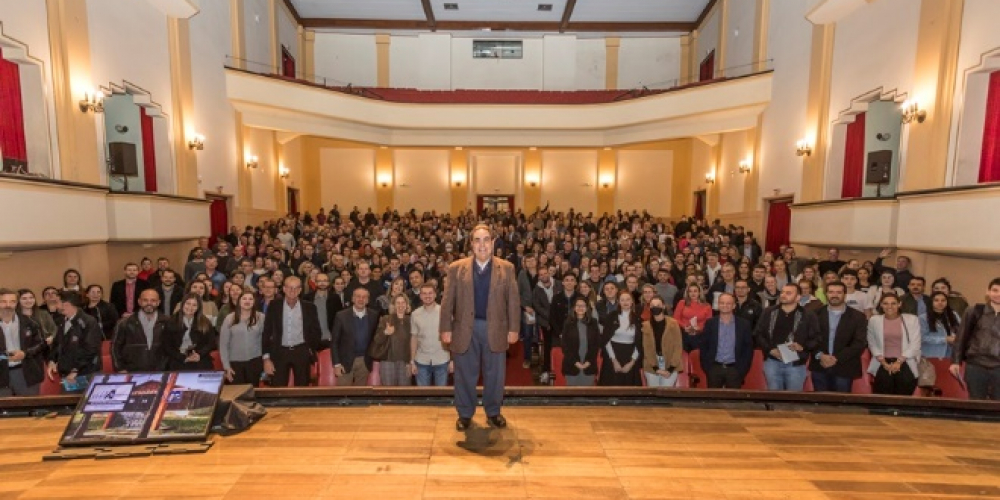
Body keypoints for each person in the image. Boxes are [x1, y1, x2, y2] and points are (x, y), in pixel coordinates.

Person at [439, 224, 520, 431]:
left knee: (495, 375)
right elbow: (447, 301)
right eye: (477, 240)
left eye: (486, 240)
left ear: (493, 243)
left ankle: (493, 412)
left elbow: (513, 301)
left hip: (495, 329)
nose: (482, 244)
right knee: (464, 373)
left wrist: (514, 329)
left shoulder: (507, 268)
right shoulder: (457, 268)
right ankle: (465, 413)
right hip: (465, 329)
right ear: (471, 244)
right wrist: (445, 327)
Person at [754, 283, 821, 391]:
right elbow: (758, 334)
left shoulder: (808, 315)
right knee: (774, 399)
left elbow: (817, 338)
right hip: (772, 362)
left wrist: (802, 346)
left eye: (788, 293)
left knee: (793, 400)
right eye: (783, 292)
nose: (783, 295)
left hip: (796, 364)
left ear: (798, 297)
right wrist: (770, 350)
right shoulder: (769, 312)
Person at [262, 276, 322, 386]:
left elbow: (316, 332)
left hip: (301, 351)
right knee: (278, 389)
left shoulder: (310, 307)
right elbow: (266, 332)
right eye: (289, 287)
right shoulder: (274, 306)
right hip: (279, 352)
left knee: (302, 389)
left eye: (296, 288)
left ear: (300, 290)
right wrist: (266, 358)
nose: (292, 291)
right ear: (283, 289)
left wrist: (309, 349)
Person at [810, 282, 868, 393]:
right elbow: (809, 338)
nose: (834, 295)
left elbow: (859, 343)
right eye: (831, 292)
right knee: (820, 404)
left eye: (838, 292)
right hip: (820, 365)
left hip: (844, 366)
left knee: (841, 406)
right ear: (826, 294)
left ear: (845, 295)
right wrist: (821, 355)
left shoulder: (858, 317)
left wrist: (836, 358)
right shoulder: (814, 314)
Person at [950, 278, 1000, 400]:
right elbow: (961, 337)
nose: (998, 294)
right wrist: (955, 362)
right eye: (995, 290)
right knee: (976, 403)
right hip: (976, 365)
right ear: (988, 292)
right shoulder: (974, 311)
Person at [867, 293, 921, 396]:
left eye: (893, 303)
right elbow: (872, 343)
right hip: (882, 363)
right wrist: (884, 363)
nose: (889, 307)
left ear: (899, 304)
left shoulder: (912, 319)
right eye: (886, 303)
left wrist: (899, 362)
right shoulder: (874, 320)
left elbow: (915, 344)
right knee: (882, 399)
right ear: (881, 305)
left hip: (905, 362)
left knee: (903, 399)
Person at [47, 291, 103, 390]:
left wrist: (75, 370)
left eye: (57, 302)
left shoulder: (88, 322)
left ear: (66, 304)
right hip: (66, 371)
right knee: (68, 402)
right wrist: (52, 360)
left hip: (85, 373)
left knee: (82, 402)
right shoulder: (61, 321)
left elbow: (90, 349)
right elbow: (57, 343)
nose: (55, 305)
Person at [699, 293, 754, 388]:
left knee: (733, 402)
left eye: (728, 303)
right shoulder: (710, 323)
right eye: (722, 303)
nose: (725, 306)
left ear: (734, 305)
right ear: (718, 305)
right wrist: (708, 368)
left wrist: (741, 370)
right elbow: (704, 346)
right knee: (713, 401)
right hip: (714, 368)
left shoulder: (744, 324)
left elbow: (748, 349)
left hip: (735, 369)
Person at [0, 288, 47, 396]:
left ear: (16, 303)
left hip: (25, 372)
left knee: (30, 407)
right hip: (2, 374)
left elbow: (41, 344)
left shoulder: (30, 322)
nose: (8, 305)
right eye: (3, 301)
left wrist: (25, 353)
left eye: (12, 301)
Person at [111, 289, 168, 373]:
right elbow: (115, 348)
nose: (149, 303)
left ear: (158, 302)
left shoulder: (168, 322)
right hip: (132, 371)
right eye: (145, 300)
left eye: (153, 300)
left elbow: (172, 348)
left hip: (161, 371)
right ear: (139, 301)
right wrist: (120, 368)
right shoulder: (124, 323)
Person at [331, 288, 379, 386]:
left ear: (368, 300)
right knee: (343, 395)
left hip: (364, 361)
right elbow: (334, 342)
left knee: (361, 396)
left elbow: (375, 338)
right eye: (358, 296)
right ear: (353, 299)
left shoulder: (374, 315)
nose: (361, 299)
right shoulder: (341, 316)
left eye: (364, 297)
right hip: (345, 361)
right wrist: (336, 364)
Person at [160, 294, 217, 371]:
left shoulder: (205, 322)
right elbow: (167, 345)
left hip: (200, 360)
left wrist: (199, 354)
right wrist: (182, 357)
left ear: (198, 307)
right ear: (183, 304)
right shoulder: (171, 321)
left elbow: (211, 342)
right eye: (188, 303)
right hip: (177, 360)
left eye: (194, 305)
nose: (190, 307)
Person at [219, 290, 265, 385]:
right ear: (239, 301)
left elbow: (265, 341)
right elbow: (223, 345)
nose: (247, 301)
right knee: (238, 395)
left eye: (250, 299)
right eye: (244, 298)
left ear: (254, 302)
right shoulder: (229, 318)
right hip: (235, 363)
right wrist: (226, 366)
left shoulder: (261, 317)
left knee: (253, 393)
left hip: (255, 362)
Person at [598, 289, 643, 386]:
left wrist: (632, 362)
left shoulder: (637, 319)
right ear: (618, 302)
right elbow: (606, 340)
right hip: (612, 356)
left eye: (628, 299)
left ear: (632, 302)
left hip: (630, 356)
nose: (625, 302)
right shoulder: (611, 316)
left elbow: (639, 343)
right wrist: (614, 360)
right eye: (622, 300)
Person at [410, 284, 451, 386]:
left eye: (430, 293)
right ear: (420, 296)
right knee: (423, 397)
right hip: (421, 360)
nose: (427, 296)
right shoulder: (415, 314)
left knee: (441, 397)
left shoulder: (444, 312)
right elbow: (414, 338)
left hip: (442, 359)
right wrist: (412, 361)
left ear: (435, 295)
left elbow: (451, 335)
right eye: (424, 293)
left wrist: (453, 360)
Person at [640, 296, 683, 387]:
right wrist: (655, 368)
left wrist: (671, 368)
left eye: (658, 305)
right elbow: (646, 348)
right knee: (653, 395)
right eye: (653, 305)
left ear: (663, 306)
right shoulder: (645, 325)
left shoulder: (673, 324)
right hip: (651, 366)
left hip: (670, 364)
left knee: (666, 394)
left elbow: (678, 346)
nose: (655, 307)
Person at [371, 294, 413, 386]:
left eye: (403, 303)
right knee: (388, 393)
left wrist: (411, 361)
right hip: (388, 361)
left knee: (404, 393)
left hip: (405, 362)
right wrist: (385, 332)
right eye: (398, 303)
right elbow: (377, 340)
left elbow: (414, 343)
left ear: (407, 305)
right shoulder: (386, 319)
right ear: (393, 305)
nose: (400, 305)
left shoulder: (411, 320)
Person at [561, 297, 601, 386]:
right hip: (572, 365)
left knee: (588, 396)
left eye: (583, 305)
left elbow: (596, 344)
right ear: (574, 308)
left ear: (587, 308)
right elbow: (564, 345)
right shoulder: (568, 323)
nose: (580, 308)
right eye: (578, 305)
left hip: (589, 365)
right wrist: (576, 362)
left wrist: (588, 362)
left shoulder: (593, 322)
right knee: (572, 395)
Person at [673, 284, 712, 352]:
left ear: (699, 292)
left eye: (695, 291)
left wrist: (699, 328)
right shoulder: (682, 303)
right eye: (690, 291)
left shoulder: (707, 306)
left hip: (700, 335)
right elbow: (676, 318)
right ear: (687, 293)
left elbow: (709, 322)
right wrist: (684, 326)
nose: (693, 293)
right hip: (684, 333)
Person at [923, 291, 960, 361]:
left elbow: (961, 331)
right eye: (936, 300)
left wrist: (955, 337)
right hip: (932, 355)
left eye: (943, 300)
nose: (940, 303)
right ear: (931, 302)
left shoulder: (953, 315)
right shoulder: (923, 318)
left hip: (951, 354)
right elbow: (922, 338)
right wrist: (944, 339)